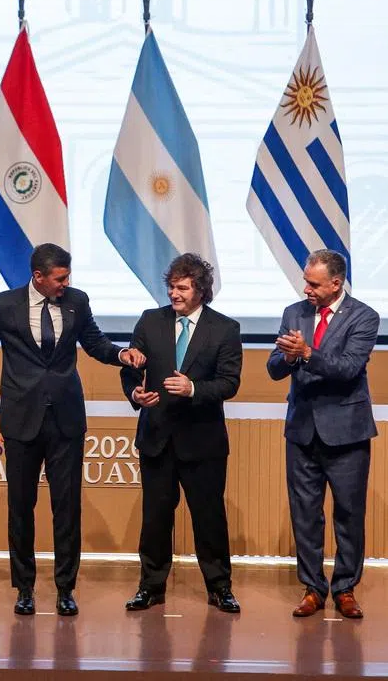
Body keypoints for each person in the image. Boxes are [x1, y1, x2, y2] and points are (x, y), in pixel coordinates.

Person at [0, 243, 145, 616]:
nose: (66, 284)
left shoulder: (77, 301)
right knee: (21, 507)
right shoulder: (5, 305)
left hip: (66, 419)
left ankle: (65, 588)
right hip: (21, 419)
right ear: (39, 277)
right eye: (60, 278)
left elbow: (94, 343)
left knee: (67, 507)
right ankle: (25, 587)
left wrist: (120, 355)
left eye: (68, 277)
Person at [120, 254, 242, 613]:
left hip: (202, 441)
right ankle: (151, 586)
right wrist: (134, 393)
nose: (174, 293)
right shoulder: (150, 320)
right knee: (155, 516)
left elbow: (229, 382)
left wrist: (193, 388)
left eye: (183, 287)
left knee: (208, 517)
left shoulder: (225, 329)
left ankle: (219, 587)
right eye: (172, 286)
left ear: (200, 290)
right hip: (157, 437)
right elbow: (131, 368)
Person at [267, 249, 377, 619]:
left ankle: (345, 588)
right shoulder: (293, 312)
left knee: (348, 514)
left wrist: (307, 353)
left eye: (314, 283)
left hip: (346, 433)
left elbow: (348, 369)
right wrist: (288, 356)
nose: (306, 288)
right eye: (305, 281)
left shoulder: (364, 316)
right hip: (301, 431)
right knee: (305, 514)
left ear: (336, 283)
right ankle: (313, 587)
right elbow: (273, 368)